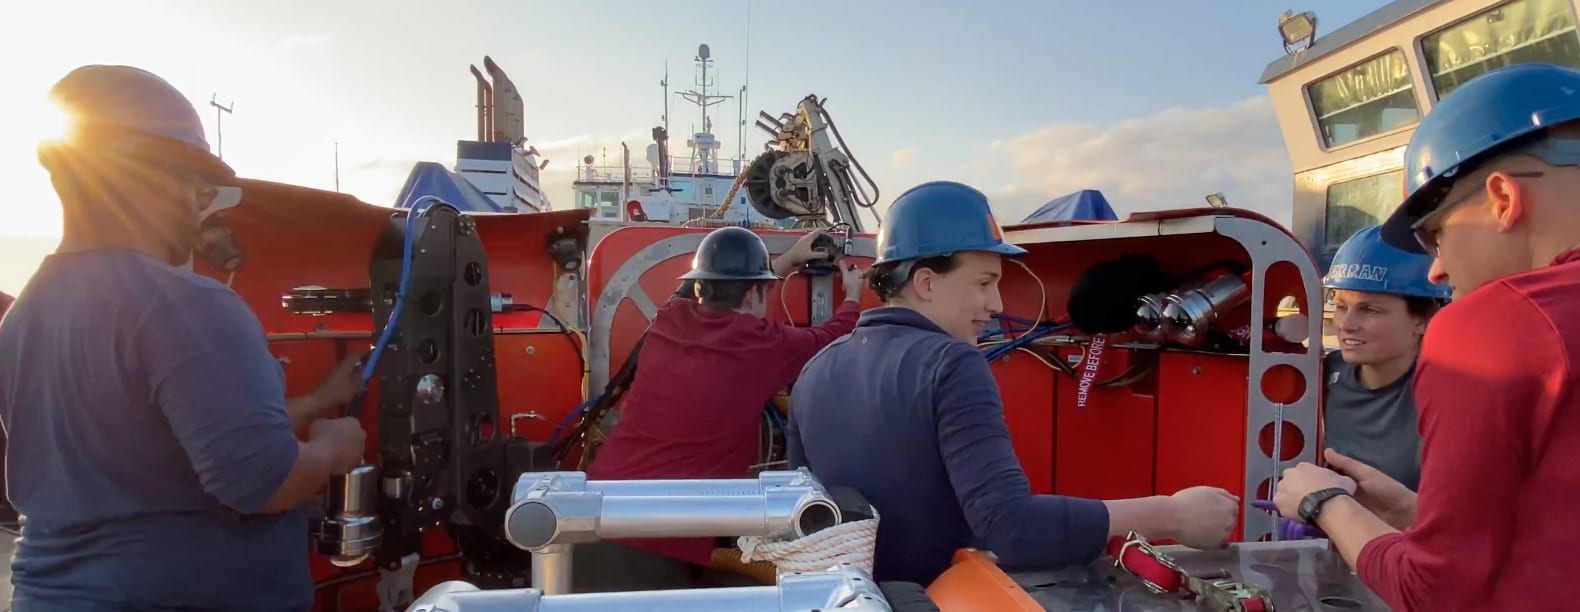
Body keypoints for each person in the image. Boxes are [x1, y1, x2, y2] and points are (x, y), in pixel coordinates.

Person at [0, 65, 367, 612]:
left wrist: (317, 401)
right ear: (143, 174)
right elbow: (261, 482)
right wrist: (334, 449)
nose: (203, 211)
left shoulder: (28, 313)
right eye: (198, 189)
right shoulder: (190, 303)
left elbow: (159, 440)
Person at [786, 181, 1240, 586]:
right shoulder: (951, 363)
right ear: (925, 282)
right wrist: (1173, 514)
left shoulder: (814, 371)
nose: (996, 303)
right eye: (984, 283)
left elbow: (803, 519)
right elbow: (1011, 527)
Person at [1273, 62, 1580, 611]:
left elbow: (1433, 591)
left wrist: (1324, 504)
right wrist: (1413, 511)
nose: (1436, 272)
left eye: (1434, 236)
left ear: (1504, 199)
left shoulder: (1496, 323)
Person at [580, 225, 864, 588]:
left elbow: (739, 293)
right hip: (658, 543)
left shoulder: (668, 319)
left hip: (594, 517)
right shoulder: (763, 344)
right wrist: (853, 295)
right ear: (756, 292)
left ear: (700, 287)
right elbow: (831, 337)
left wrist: (787, 259)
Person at [1320, 225, 1449, 491]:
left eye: (1370, 310)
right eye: (1341, 306)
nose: (1347, 324)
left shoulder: (1449, 396)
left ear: (1424, 320)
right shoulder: (1316, 380)